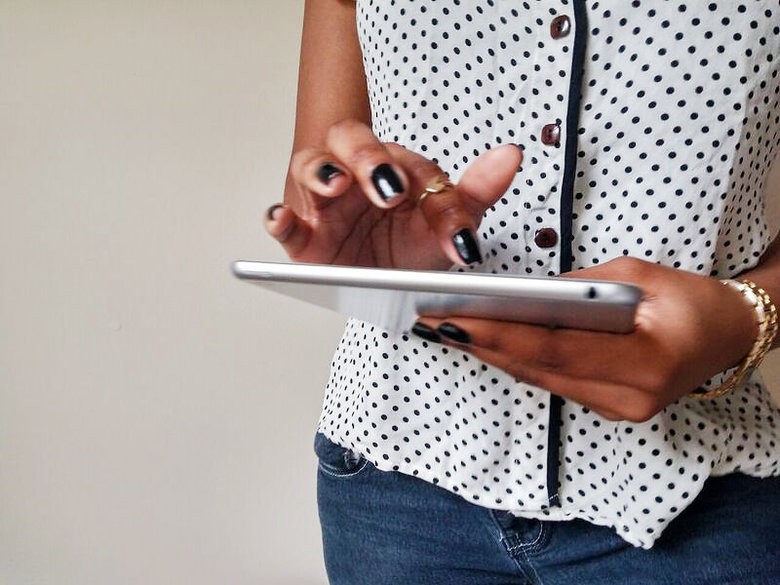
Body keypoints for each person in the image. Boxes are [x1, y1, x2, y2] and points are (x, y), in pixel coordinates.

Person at [266, 1, 780, 583]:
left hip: (698, 496)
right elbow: (315, 185)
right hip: (393, 487)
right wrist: (354, 228)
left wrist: (747, 315)